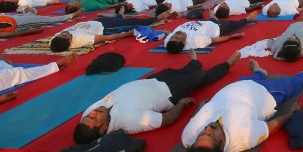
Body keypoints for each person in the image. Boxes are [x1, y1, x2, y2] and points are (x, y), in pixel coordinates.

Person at [181, 60, 303, 152]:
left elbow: (195, 119)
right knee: (291, 84)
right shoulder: (244, 137)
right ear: (221, 144)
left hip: (235, 86)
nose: (207, 129)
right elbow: (272, 126)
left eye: (202, 134)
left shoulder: (189, 137)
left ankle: (259, 72)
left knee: (247, 79)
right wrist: (292, 113)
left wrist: (200, 107)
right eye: (210, 135)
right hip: (264, 92)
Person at [74, 50, 238, 143]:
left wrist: (90, 118)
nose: (93, 112)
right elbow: (166, 120)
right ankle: (227, 64)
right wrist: (180, 103)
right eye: (95, 118)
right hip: (170, 92)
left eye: (89, 115)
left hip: (152, 81)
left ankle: (194, 62)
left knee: (178, 71)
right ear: (103, 129)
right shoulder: (130, 122)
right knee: (201, 77)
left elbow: (88, 124)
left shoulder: (87, 117)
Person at [49, 14, 170, 52]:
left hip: (95, 22)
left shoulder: (55, 40)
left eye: (61, 34)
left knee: (118, 18)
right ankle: (157, 18)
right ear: (70, 42)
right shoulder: (83, 39)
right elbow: (109, 37)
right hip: (106, 28)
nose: (63, 33)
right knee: (133, 21)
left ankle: (119, 14)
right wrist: (129, 33)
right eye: (65, 36)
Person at [164, 19, 249, 54]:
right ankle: (247, 19)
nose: (174, 35)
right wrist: (232, 36)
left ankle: (212, 17)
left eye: (172, 37)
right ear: (183, 42)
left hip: (201, 23)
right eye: (177, 37)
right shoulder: (196, 41)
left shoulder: (168, 41)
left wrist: (168, 34)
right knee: (235, 24)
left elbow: (170, 37)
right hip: (216, 27)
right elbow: (216, 40)